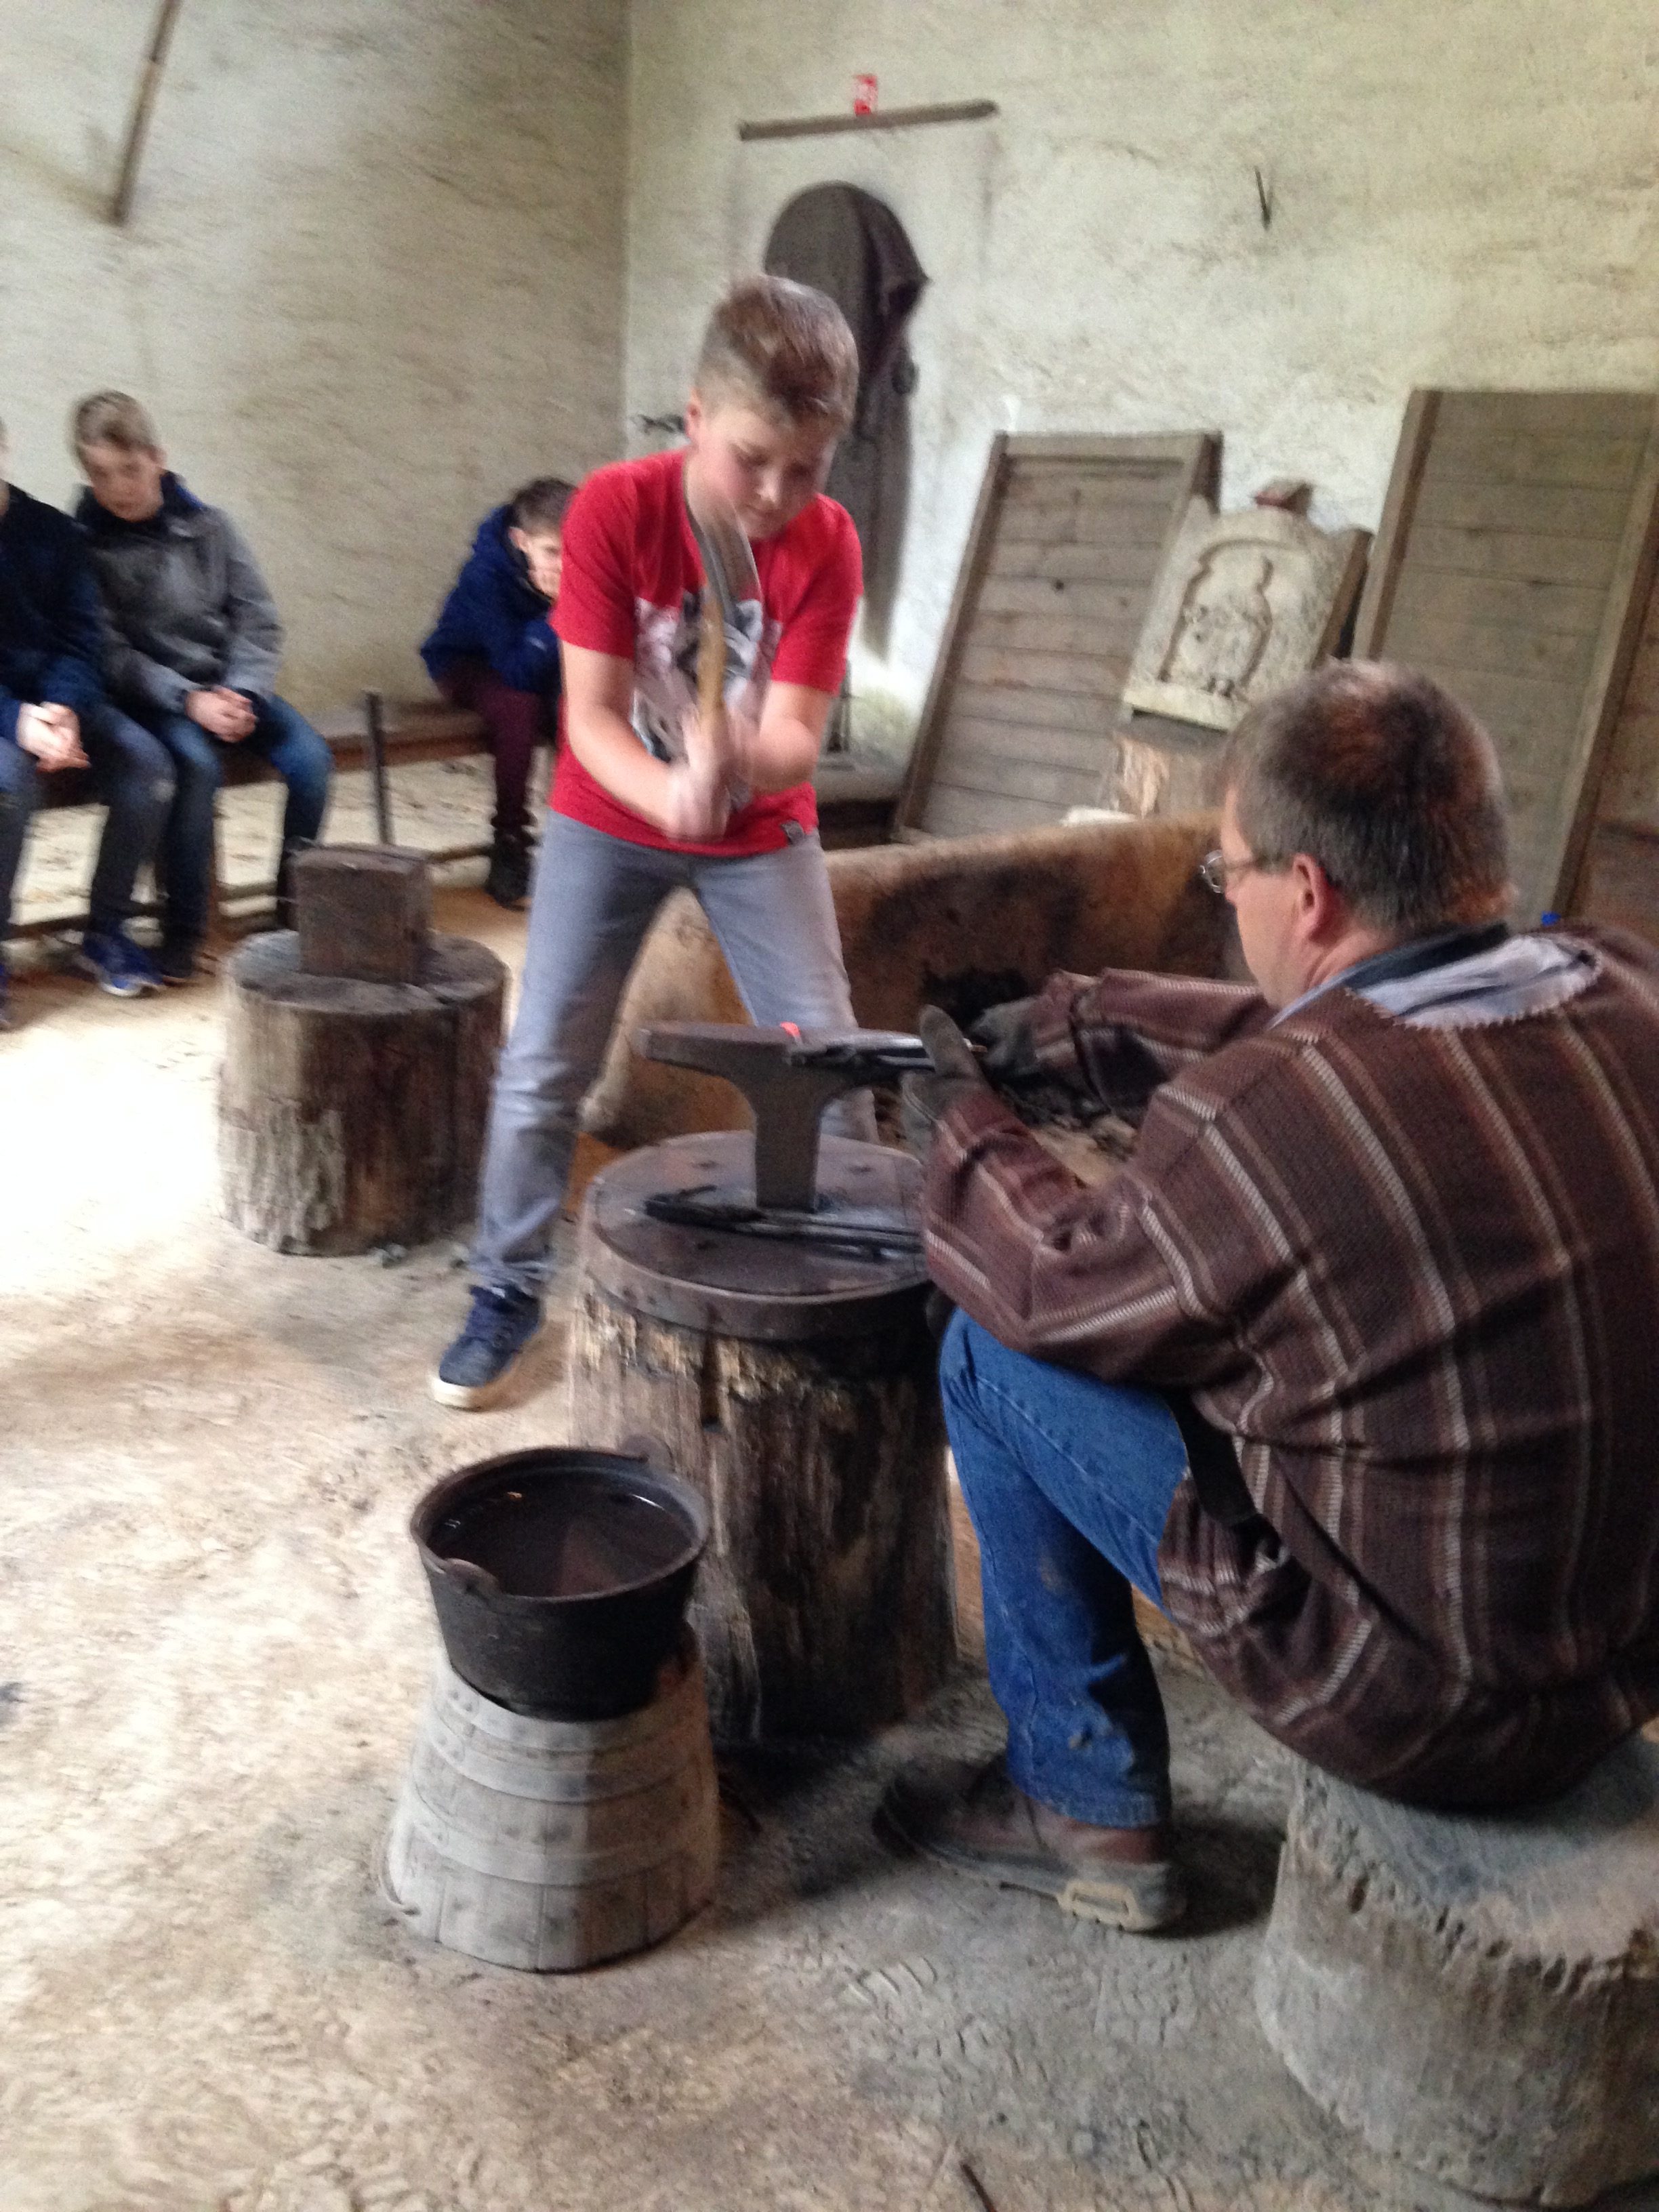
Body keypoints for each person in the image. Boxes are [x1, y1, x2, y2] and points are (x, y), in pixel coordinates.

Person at [888, 661, 1659, 1934]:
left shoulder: (1266, 1126)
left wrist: (961, 1125)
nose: (1224, 892)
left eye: (1225, 871)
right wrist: (1089, 1024)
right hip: (1621, 1660)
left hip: (1422, 1710)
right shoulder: (1621, 982)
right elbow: (1345, 1027)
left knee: (991, 1350)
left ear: (1306, 889)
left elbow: (1049, 1278)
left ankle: (1078, 1797)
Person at [432, 274, 869, 1409]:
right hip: (609, 811)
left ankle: (860, 1283)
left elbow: (795, 739)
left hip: (762, 830)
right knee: (546, 1060)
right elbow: (587, 718)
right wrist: (669, 790)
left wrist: (739, 758)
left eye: (807, 467)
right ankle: (507, 1283)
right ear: (696, 417)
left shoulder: (827, 543)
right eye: (750, 459)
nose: (774, 495)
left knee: (829, 1055)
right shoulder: (614, 510)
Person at [71, 392, 332, 981]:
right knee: (196, 767)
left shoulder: (213, 527)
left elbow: (257, 618)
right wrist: (188, 700)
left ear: (158, 458)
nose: (118, 488)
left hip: (230, 688)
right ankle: (184, 931)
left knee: (311, 761)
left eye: (130, 469)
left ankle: (294, 912)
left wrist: (244, 691)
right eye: (100, 475)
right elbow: (112, 654)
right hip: (158, 700)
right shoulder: (87, 547)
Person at [0, 415, 173, 1021]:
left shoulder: (50, 531)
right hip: (4, 715)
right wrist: (18, 721)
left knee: (149, 766)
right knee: (8, 786)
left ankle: (106, 930)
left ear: (4, 448)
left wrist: (64, 708)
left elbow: (82, 638)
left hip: (59, 704)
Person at [422, 476, 576, 907]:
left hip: (537, 657)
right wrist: (560, 611)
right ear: (521, 541)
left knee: (577, 708)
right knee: (518, 708)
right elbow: (517, 671)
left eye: (574, 550)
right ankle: (509, 840)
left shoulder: (582, 563)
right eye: (553, 552)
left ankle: (574, 834)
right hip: (469, 664)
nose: (566, 564)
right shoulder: (485, 576)